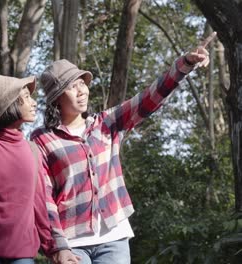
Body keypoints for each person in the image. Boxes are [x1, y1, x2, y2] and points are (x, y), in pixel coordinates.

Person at [30, 32, 217, 264]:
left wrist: (185, 64)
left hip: (114, 239)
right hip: (72, 244)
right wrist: (57, 247)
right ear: (57, 98)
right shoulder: (42, 139)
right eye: (71, 87)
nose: (81, 91)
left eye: (82, 84)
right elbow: (44, 197)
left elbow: (150, 97)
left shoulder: (107, 123)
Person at [0, 75, 54, 264]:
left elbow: (39, 204)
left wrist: (52, 248)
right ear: (11, 104)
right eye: (27, 97)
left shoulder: (33, 150)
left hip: (24, 256)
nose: (34, 103)